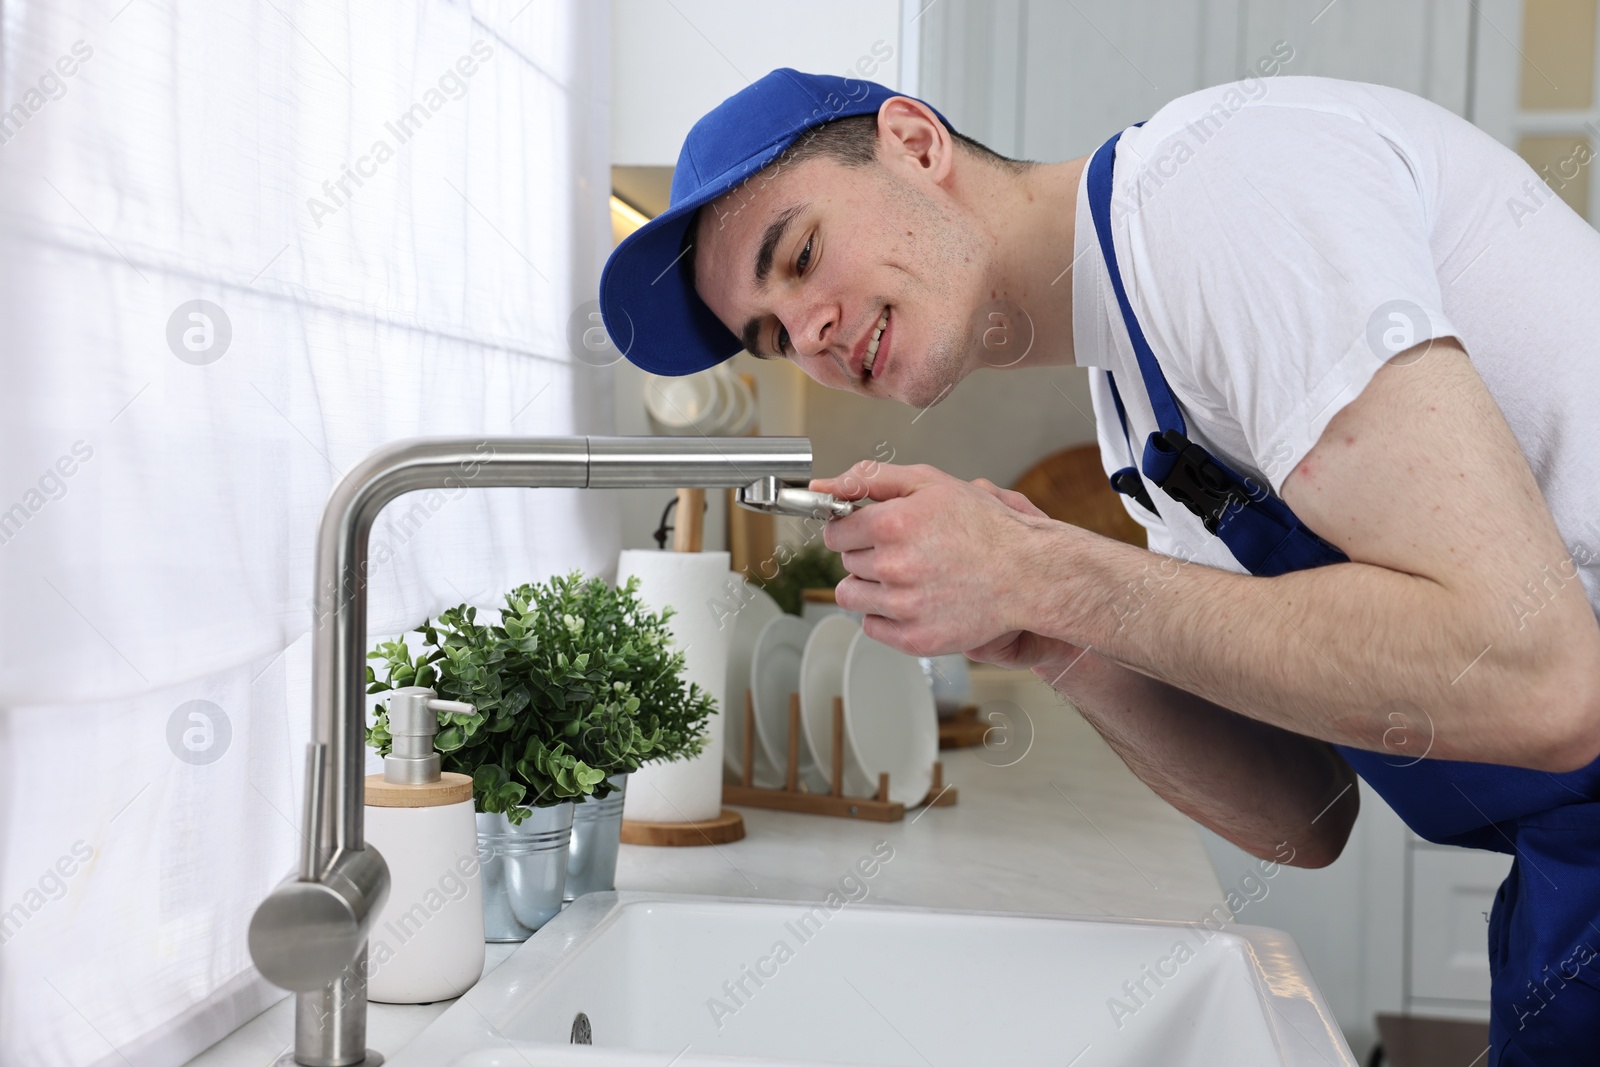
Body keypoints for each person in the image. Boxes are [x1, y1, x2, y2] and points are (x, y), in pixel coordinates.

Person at [598, 68, 1600, 1065]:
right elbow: (1306, 811)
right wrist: (1052, 636)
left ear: (913, 142)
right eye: (770, 338)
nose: (807, 334)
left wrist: (1050, 571)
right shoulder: (1135, 412)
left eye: (803, 252)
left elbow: (1542, 679)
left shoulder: (1217, 189)